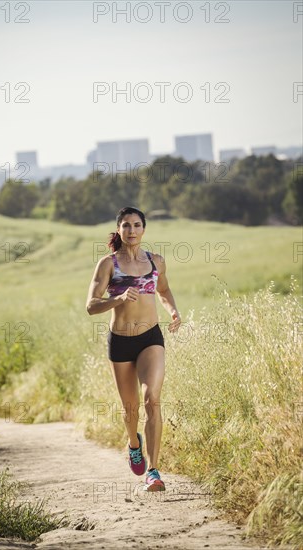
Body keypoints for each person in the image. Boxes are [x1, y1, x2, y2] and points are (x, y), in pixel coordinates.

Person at [86, 206, 181, 492]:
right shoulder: (107, 264)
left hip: (151, 337)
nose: (131, 230)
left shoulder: (156, 261)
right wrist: (118, 298)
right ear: (119, 229)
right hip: (121, 342)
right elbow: (91, 306)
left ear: (144, 229)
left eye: (137, 225)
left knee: (152, 398)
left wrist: (174, 311)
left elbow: (163, 291)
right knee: (131, 410)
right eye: (126, 225)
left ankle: (153, 471)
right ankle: (133, 443)